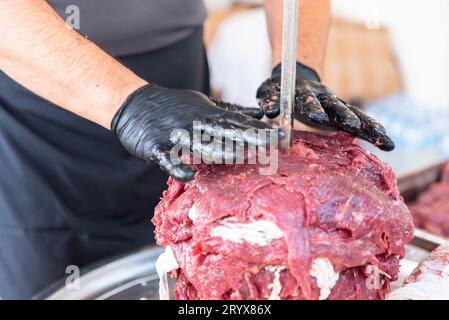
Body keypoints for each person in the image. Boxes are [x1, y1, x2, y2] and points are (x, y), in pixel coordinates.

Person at [0, 0, 393, 299]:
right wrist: (128, 103)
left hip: (177, 75)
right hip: (46, 92)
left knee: (198, 260)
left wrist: (300, 65)